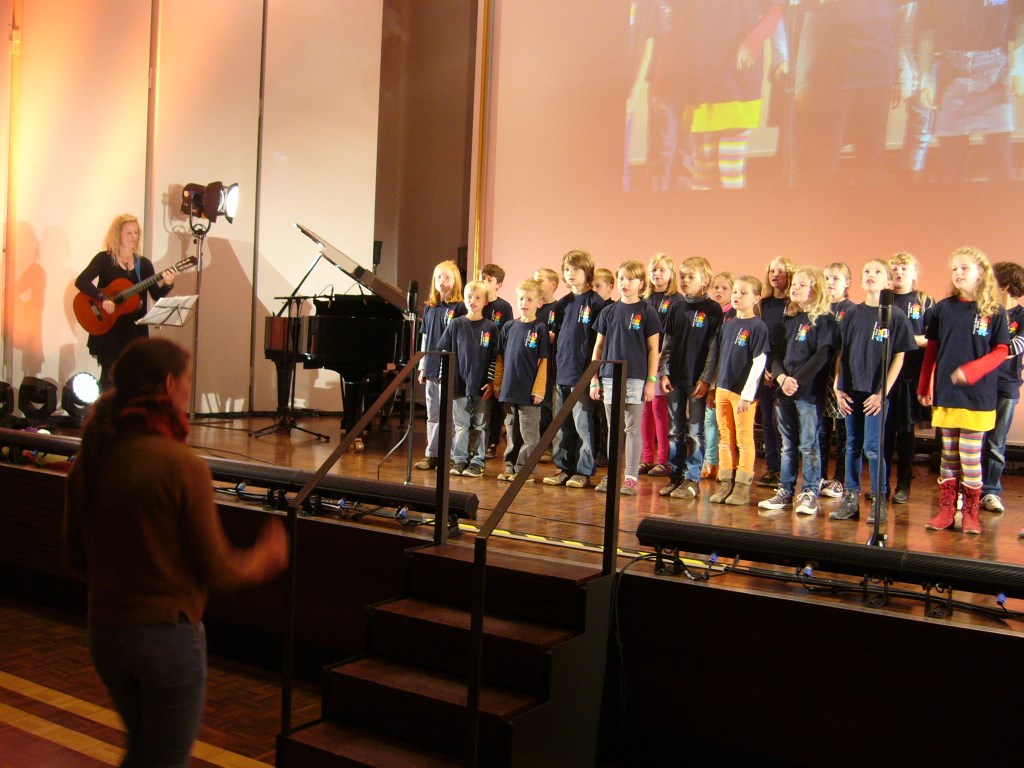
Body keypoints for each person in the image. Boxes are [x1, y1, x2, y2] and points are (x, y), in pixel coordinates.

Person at [63, 338, 288, 768]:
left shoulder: (91, 458)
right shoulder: (181, 466)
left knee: (142, 753)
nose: (188, 389)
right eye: (187, 380)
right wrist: (265, 557)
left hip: (104, 632)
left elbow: (74, 557)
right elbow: (219, 571)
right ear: (170, 385)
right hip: (165, 639)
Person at [919, 247, 1010, 535]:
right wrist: (924, 384)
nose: (958, 273)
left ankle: (971, 512)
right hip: (947, 393)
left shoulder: (994, 311)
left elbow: (1001, 351)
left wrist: (972, 370)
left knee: (969, 457)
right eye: (954, 269)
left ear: (981, 273)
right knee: (948, 454)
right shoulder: (943, 308)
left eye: (964, 268)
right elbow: (932, 349)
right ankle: (947, 510)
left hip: (978, 395)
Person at [831, 259, 916, 524]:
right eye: (866, 271)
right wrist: (837, 386)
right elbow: (842, 352)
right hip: (851, 390)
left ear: (888, 282)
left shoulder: (894, 316)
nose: (870, 274)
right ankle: (851, 499)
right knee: (852, 444)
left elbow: (899, 356)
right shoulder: (852, 314)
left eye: (877, 271)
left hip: (875, 393)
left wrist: (882, 393)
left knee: (873, 447)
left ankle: (879, 500)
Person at [758, 267, 834, 516]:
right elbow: (775, 353)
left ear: (815, 289)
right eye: (795, 285)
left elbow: (822, 355)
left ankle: (809, 491)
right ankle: (785, 490)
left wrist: (795, 381)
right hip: (784, 391)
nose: (795, 288)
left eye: (802, 284)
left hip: (808, 393)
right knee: (788, 445)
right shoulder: (788, 319)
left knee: (809, 445)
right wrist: (781, 377)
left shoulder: (824, 320)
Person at [75, 214, 177, 390]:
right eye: (129, 233)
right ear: (118, 235)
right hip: (109, 328)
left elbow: (156, 295)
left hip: (134, 331)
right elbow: (81, 281)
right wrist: (103, 298)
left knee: (134, 379)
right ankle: (106, 407)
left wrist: (168, 284)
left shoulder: (143, 264)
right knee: (109, 378)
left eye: (136, 232)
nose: (134, 236)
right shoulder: (104, 259)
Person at [591, 260, 661, 496]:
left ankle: (630, 478)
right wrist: (594, 379)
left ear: (641, 283)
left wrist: (651, 381)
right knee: (614, 429)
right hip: (609, 377)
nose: (625, 283)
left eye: (630, 279)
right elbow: (598, 347)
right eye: (621, 278)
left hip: (635, 378)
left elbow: (653, 349)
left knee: (632, 428)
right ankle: (613, 475)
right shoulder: (608, 311)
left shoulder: (647, 312)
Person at [658, 256, 723, 499]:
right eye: (682, 276)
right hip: (675, 379)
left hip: (697, 381)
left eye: (690, 277)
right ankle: (675, 476)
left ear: (704, 280)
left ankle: (692, 478)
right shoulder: (676, 307)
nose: (685, 280)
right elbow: (667, 344)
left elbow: (714, 349)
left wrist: (706, 379)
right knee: (674, 431)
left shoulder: (713, 310)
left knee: (695, 431)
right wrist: (663, 372)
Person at [544, 250, 607, 489]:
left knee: (583, 426)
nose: (570, 273)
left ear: (587, 272)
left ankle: (584, 470)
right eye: (567, 269)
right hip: (562, 372)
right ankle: (564, 467)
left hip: (583, 375)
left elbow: (599, 343)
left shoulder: (596, 303)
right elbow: (556, 336)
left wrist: (594, 376)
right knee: (562, 426)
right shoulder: (562, 304)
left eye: (576, 269)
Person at [709, 276, 769, 505]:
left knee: (744, 438)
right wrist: (714, 387)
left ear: (756, 298)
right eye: (735, 291)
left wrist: (747, 394)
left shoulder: (757, 327)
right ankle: (726, 482)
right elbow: (720, 358)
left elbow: (759, 362)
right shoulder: (728, 324)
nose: (737, 296)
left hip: (742, 394)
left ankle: (742, 486)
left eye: (744, 293)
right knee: (725, 436)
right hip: (723, 389)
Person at [884, 252, 934, 504]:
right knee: (883, 432)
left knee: (905, 433)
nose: (899, 272)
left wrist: (905, 340)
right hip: (884, 375)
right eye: (894, 268)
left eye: (904, 268)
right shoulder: (882, 299)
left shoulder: (924, 301)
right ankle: (881, 485)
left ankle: (903, 484)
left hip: (910, 376)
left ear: (914, 273)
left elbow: (932, 338)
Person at [438, 280, 498, 477]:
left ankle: (478, 462)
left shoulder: (491, 328)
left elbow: (494, 358)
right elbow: (445, 352)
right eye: (469, 297)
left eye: (478, 297)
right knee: (461, 425)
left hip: (482, 385)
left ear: (485, 301)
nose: (473, 301)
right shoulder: (456, 324)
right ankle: (460, 459)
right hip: (459, 384)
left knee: (481, 425)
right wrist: (445, 379)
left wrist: (491, 382)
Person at [494, 279, 550, 483]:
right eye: (520, 298)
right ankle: (511, 465)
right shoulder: (509, 327)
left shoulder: (540, 328)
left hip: (529, 392)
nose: (524, 303)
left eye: (529, 299)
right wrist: (497, 384)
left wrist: (538, 390)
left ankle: (525, 469)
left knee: (529, 432)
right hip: (510, 389)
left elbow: (543, 361)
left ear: (539, 303)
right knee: (511, 429)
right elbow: (500, 359)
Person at [414, 260, 466, 471]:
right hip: (432, 367)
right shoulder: (430, 308)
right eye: (438, 277)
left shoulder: (459, 307)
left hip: (450, 368)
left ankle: (451, 455)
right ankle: (432, 454)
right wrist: (422, 366)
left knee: (450, 415)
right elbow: (425, 338)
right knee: (433, 413)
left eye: (447, 277)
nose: (442, 281)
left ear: (455, 281)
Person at [983, 261, 1024, 515]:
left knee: (996, 443)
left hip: (1007, 386)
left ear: (1005, 286)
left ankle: (991, 491)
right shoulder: (986, 312)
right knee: (974, 440)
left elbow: (1015, 347)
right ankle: (970, 489)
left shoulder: (1022, 316)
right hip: (981, 385)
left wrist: (992, 350)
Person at [640, 253, 682, 477]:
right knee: (644, 411)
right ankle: (647, 458)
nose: (657, 274)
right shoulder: (644, 300)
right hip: (643, 362)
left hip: (663, 362)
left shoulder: (676, 300)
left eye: (662, 270)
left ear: (671, 274)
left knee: (659, 410)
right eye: (654, 270)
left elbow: (672, 336)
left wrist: (661, 361)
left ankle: (663, 459)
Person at [818, 262, 855, 499]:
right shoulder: (819, 308)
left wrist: (839, 379)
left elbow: (845, 348)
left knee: (843, 431)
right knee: (821, 430)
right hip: (819, 376)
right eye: (827, 278)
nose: (830, 283)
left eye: (835, 278)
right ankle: (820, 476)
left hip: (840, 376)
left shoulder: (850, 309)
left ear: (847, 282)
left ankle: (840, 479)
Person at [756, 256, 794, 487]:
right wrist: (764, 370)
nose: (775, 275)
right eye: (772, 271)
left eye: (780, 271)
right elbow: (760, 339)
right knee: (767, 420)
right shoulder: (763, 305)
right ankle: (772, 468)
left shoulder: (793, 305)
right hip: (764, 369)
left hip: (785, 370)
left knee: (779, 420)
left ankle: (786, 469)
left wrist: (779, 372)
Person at [701, 271, 735, 481]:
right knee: (710, 422)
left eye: (724, 288)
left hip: (726, 378)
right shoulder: (710, 313)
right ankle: (710, 461)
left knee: (725, 424)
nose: (719, 291)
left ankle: (727, 464)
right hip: (709, 375)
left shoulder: (733, 316)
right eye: (716, 288)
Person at [480, 264, 513, 459]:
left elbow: (507, 335)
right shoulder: (475, 302)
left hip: (496, 359)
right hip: (478, 359)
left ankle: (492, 442)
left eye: (489, 280)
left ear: (498, 285)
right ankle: (477, 441)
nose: (484, 282)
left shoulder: (503, 307)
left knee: (494, 404)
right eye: (482, 278)